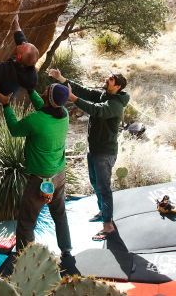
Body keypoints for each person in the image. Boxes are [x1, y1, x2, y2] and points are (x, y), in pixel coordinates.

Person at [0, 83, 72, 259]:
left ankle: (25, 260)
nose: (43, 91)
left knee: (26, 222)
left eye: (46, 90)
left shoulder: (36, 120)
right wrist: (30, 89)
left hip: (40, 180)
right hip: (58, 174)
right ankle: (66, 250)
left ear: (49, 98)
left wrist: (6, 105)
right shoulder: (64, 115)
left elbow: (14, 129)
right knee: (59, 213)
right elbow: (45, 106)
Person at [48, 69, 129, 241]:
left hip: (105, 153)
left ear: (118, 86)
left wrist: (73, 99)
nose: (107, 79)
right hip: (94, 150)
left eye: (111, 79)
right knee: (95, 182)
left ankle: (108, 226)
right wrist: (60, 78)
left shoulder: (115, 104)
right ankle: (103, 212)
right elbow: (82, 90)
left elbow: (96, 110)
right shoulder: (103, 94)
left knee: (104, 188)